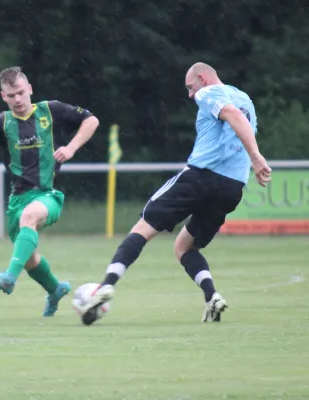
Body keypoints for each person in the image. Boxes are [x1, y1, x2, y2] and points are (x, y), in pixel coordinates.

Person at [80, 62, 272, 325]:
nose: (191, 94)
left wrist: (256, 156)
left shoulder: (209, 93)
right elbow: (241, 121)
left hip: (200, 177)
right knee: (184, 247)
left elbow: (233, 117)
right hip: (231, 188)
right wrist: (253, 158)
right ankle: (212, 297)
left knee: (142, 228)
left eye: (190, 87)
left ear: (202, 79)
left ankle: (106, 286)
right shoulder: (244, 98)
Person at [0, 66, 99, 317]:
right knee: (30, 260)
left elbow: (91, 120)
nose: (17, 99)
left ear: (29, 89)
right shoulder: (1, 122)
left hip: (47, 195)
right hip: (17, 199)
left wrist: (71, 148)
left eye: (20, 92)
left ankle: (8, 278)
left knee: (30, 218)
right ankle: (55, 289)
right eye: (10, 95)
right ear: (3, 97)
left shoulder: (51, 110)